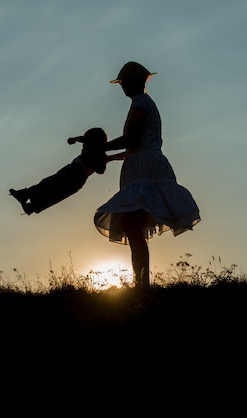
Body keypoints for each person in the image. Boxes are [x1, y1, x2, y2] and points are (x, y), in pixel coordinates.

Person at [94, 61, 201, 292]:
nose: (122, 88)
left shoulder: (141, 103)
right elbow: (137, 144)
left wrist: (101, 148)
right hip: (142, 166)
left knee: (132, 226)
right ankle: (141, 283)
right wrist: (111, 157)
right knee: (133, 227)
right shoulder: (143, 103)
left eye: (123, 83)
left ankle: (142, 285)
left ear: (134, 83)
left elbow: (132, 140)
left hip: (145, 170)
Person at [9, 127, 125, 215]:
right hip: (75, 173)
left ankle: (29, 199)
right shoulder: (98, 152)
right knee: (53, 189)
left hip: (76, 174)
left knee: (52, 187)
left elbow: (101, 168)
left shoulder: (97, 151)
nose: (84, 146)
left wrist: (111, 157)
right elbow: (101, 167)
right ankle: (30, 202)